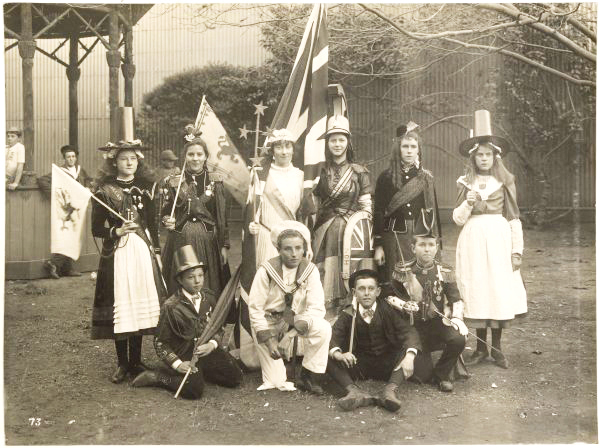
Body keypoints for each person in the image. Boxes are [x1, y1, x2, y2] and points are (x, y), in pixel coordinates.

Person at [453, 110, 527, 369]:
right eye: (479, 155)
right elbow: (457, 219)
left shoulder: (504, 182)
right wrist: (467, 203)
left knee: (497, 289)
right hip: (472, 241)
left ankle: (497, 349)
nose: (483, 159)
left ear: (495, 157)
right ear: (473, 158)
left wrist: (516, 250)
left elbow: (514, 217)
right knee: (477, 289)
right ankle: (480, 348)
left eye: (488, 154)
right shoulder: (465, 182)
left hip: (498, 240)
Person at [91, 132, 166, 384]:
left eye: (133, 158)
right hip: (118, 252)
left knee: (140, 303)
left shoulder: (146, 188)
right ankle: (122, 363)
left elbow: (153, 224)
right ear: (115, 162)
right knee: (122, 304)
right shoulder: (104, 191)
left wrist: (156, 250)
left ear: (138, 160)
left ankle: (136, 361)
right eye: (124, 159)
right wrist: (117, 231)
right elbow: (96, 229)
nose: (129, 163)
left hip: (142, 251)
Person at [131, 245, 243, 398]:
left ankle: (201, 373)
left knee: (235, 377)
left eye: (200, 275)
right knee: (194, 391)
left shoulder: (209, 297)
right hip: (184, 354)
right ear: (180, 280)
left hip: (205, 350)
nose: (197, 281)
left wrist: (212, 345)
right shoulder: (171, 306)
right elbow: (160, 343)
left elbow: (218, 326)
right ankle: (158, 377)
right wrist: (177, 364)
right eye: (191, 277)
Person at [382, 209, 468, 392]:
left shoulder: (445, 270)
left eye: (430, 244)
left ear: (436, 248)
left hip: (437, 324)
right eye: (422, 245)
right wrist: (404, 304)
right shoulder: (402, 269)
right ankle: (425, 367)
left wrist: (458, 319)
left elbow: (456, 299)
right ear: (413, 248)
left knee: (459, 339)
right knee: (421, 376)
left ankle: (442, 375)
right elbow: (388, 296)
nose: (427, 249)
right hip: (412, 327)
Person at [248, 220, 331, 394]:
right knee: (276, 381)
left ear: (304, 249)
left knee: (323, 327)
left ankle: (309, 376)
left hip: (294, 320)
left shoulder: (310, 270)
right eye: (288, 249)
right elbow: (255, 309)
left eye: (298, 248)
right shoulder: (266, 271)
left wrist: (290, 335)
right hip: (268, 321)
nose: (294, 254)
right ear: (278, 250)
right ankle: (276, 363)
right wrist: (270, 341)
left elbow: (317, 309)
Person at [326, 263, 423, 412]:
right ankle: (354, 392)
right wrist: (340, 354)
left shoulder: (388, 310)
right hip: (360, 365)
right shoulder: (349, 313)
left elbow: (409, 332)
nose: (366, 293)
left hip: (388, 364)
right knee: (328, 356)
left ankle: (389, 391)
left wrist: (409, 356)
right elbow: (334, 336)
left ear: (378, 292)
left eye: (371, 289)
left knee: (409, 351)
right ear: (354, 292)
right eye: (361, 289)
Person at [312, 115, 372, 315]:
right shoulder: (319, 171)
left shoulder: (359, 172)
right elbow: (315, 204)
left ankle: (350, 312)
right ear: (327, 143)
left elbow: (366, 208)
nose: (337, 144)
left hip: (352, 231)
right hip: (325, 230)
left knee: (351, 271)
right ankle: (326, 313)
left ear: (348, 142)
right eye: (333, 140)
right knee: (323, 271)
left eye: (341, 139)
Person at [161, 129, 230, 296]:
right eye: (191, 154)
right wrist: (166, 219)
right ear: (185, 157)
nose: (195, 158)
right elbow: (165, 211)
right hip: (180, 238)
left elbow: (222, 216)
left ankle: (208, 315)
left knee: (207, 280)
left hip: (207, 240)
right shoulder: (174, 182)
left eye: (199, 154)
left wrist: (224, 245)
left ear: (206, 156)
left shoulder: (216, 181)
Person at [373, 123, 441, 284]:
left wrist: (435, 245)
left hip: (419, 237)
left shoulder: (426, 178)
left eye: (413, 146)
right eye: (405, 146)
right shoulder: (385, 177)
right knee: (395, 279)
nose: (409, 150)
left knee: (420, 279)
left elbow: (433, 215)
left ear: (419, 150)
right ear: (398, 149)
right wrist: (378, 246)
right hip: (393, 237)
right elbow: (378, 213)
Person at [248, 129, 305, 266]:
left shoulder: (301, 176)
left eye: (287, 146)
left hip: (293, 242)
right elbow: (253, 206)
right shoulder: (261, 174)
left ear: (293, 149)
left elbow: (304, 212)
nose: (284, 152)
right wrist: (252, 223)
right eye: (279, 147)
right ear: (272, 151)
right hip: (267, 236)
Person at [41, 144, 92, 279]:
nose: (71, 159)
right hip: (66, 210)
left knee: (74, 237)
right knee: (67, 236)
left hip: (78, 208)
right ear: (64, 158)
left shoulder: (81, 171)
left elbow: (88, 182)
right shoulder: (60, 172)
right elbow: (42, 181)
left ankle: (65, 268)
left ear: (76, 158)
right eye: (68, 157)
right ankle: (53, 263)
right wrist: (56, 197)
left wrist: (88, 188)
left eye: (73, 156)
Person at [6, 126, 25, 190]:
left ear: (19, 138)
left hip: (9, 177)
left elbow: (20, 166)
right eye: (8, 136)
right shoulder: (5, 147)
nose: (9, 138)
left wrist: (16, 183)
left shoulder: (19, 147)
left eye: (12, 136)